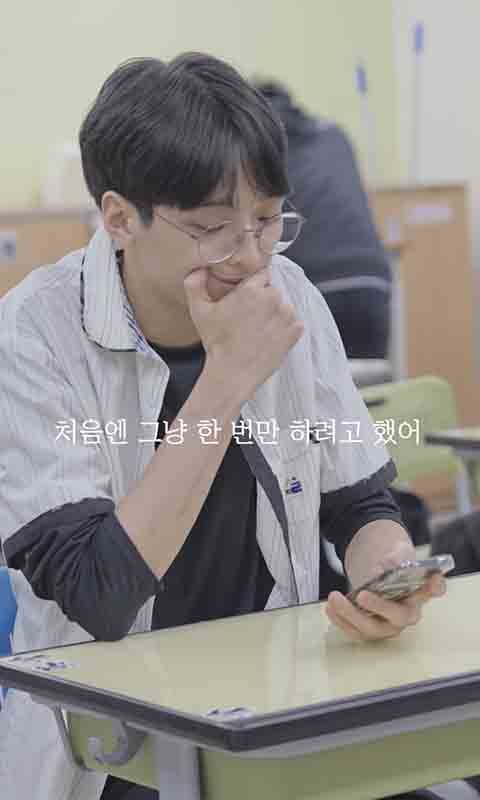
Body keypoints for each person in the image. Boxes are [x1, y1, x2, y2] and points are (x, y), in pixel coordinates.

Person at [0, 54, 445, 800]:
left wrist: (384, 570)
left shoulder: (291, 293)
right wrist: (227, 378)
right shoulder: (34, 336)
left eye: (268, 220)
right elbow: (99, 593)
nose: (251, 256)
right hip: (118, 746)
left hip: (277, 711)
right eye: (212, 228)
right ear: (120, 218)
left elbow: (358, 503)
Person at [255, 80, 392, 361]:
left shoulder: (261, 144)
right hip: (372, 277)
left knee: (310, 381)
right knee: (372, 381)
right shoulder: (334, 135)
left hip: (318, 282)